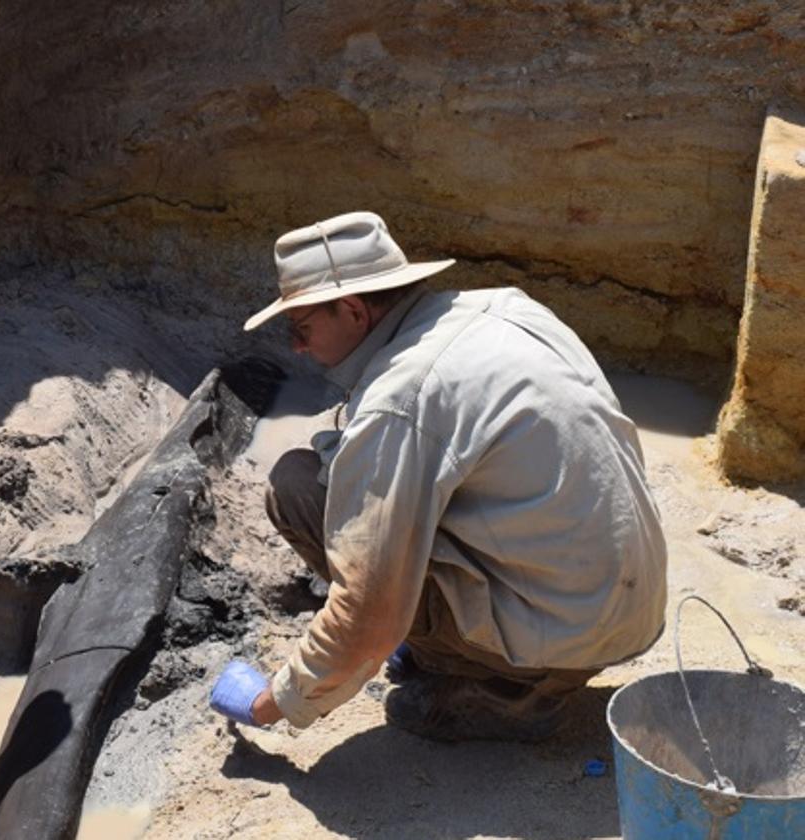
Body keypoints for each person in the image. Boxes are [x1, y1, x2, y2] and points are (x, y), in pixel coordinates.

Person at [210, 211, 667, 741]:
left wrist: (274, 703)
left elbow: (366, 610)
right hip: (627, 609)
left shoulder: (403, 397)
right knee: (357, 491)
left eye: (302, 327)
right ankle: (483, 657)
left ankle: (507, 692)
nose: (296, 346)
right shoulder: (507, 307)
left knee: (297, 487)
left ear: (354, 310)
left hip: (564, 638)